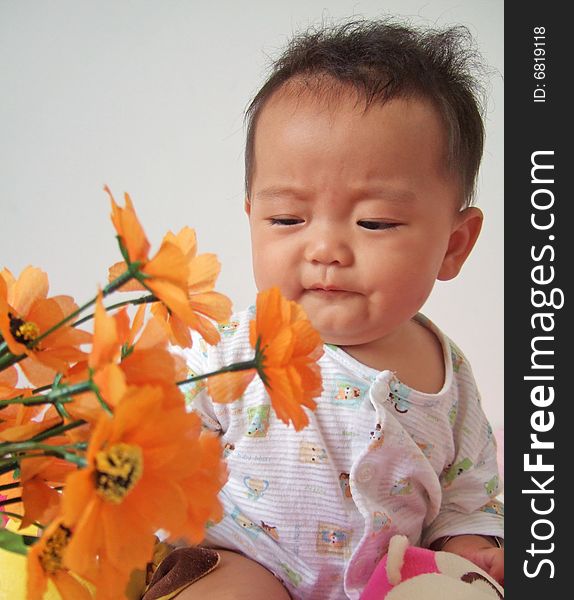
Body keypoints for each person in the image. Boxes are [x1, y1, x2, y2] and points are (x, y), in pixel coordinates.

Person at [158, 18, 504, 600]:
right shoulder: (235, 346)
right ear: (251, 218)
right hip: (241, 555)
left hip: (387, 578)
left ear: (453, 244)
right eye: (288, 219)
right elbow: (162, 428)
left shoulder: (452, 380)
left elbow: (466, 490)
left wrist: (465, 546)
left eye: (375, 222)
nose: (325, 250)